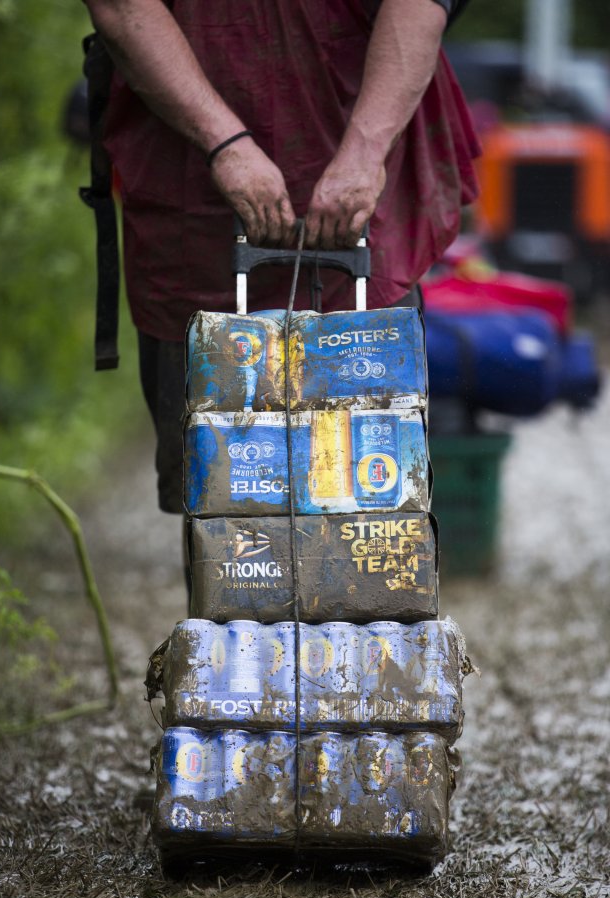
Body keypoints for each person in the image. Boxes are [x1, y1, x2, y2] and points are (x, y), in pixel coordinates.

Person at [83, 0, 479, 514]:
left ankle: (373, 586)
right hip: (188, 188)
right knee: (223, 503)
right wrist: (223, 142)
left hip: (361, 164)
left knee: (371, 477)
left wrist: (364, 154)